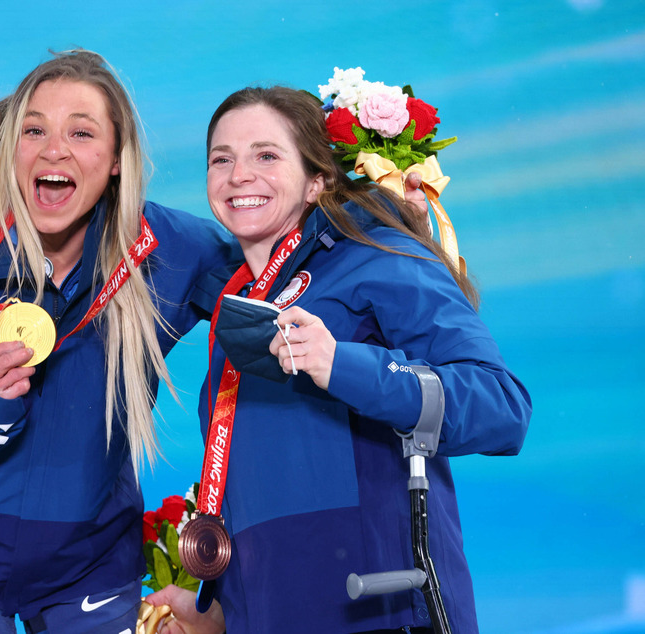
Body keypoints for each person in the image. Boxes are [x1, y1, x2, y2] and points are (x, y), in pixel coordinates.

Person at [0, 49, 244, 633]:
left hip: (88, 563)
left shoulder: (167, 250)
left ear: (116, 159)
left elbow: (283, 284)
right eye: (34, 130)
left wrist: (389, 216)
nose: (54, 149)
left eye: (81, 133)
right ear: (12, 148)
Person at [145, 87, 531, 633]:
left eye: (266, 156)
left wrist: (342, 365)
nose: (239, 175)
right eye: (221, 159)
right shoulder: (242, 298)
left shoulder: (376, 256)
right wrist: (219, 613)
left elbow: (502, 406)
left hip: (381, 609)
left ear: (317, 180)